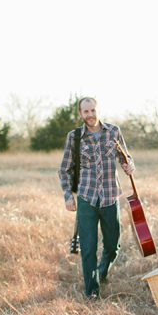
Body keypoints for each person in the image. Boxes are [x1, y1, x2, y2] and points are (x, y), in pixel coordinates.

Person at [59, 97, 135, 300]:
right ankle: (92, 291)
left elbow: (126, 158)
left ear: (97, 110)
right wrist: (68, 196)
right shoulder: (74, 137)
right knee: (88, 248)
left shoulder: (114, 132)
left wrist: (129, 166)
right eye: (85, 112)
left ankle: (102, 272)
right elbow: (64, 170)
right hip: (86, 199)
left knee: (113, 246)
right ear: (80, 114)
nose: (90, 115)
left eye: (92, 110)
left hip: (110, 197)